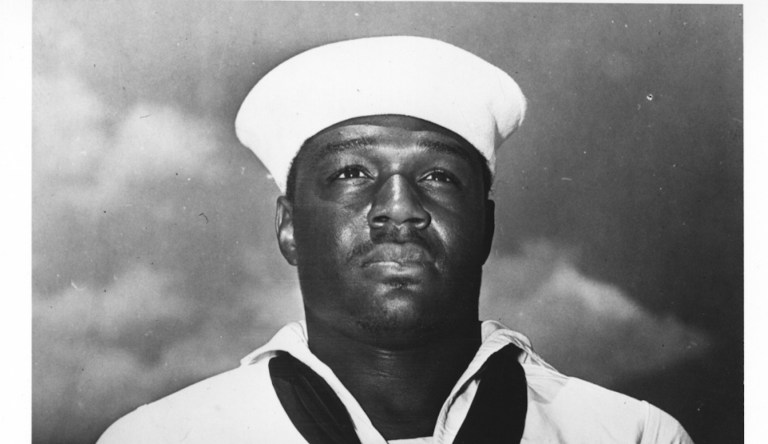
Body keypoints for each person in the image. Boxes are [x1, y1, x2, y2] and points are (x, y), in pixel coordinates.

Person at [97, 36, 693, 443]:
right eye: (351, 174)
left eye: (437, 176)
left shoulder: (629, 435)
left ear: (484, 226)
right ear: (288, 227)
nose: (400, 209)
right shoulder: (163, 437)